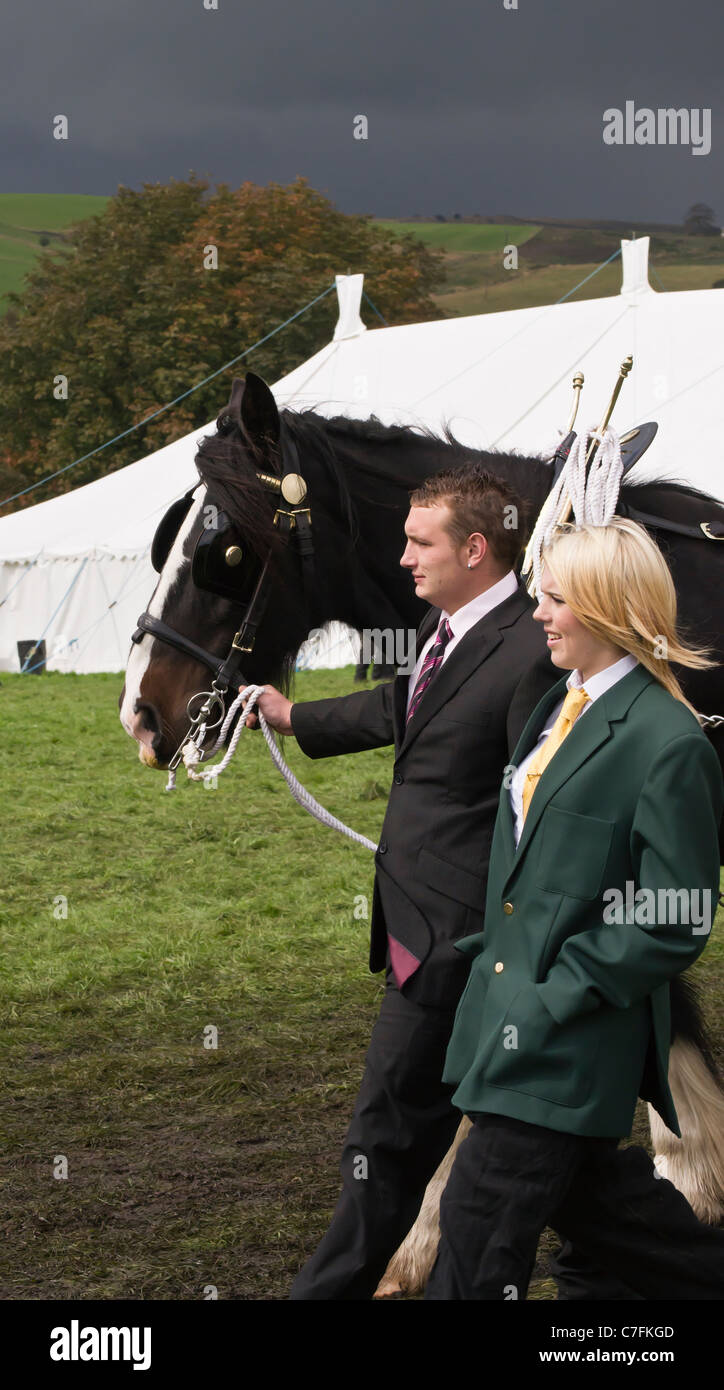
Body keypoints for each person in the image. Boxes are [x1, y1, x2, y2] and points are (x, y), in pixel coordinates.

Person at [423, 517, 724, 1300]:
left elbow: (677, 913)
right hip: (507, 1023)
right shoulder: (559, 703)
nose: (538, 614)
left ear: (607, 608)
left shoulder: (669, 743)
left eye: (555, 599)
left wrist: (561, 989)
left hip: (569, 1040)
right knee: (624, 1227)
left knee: (476, 1224)